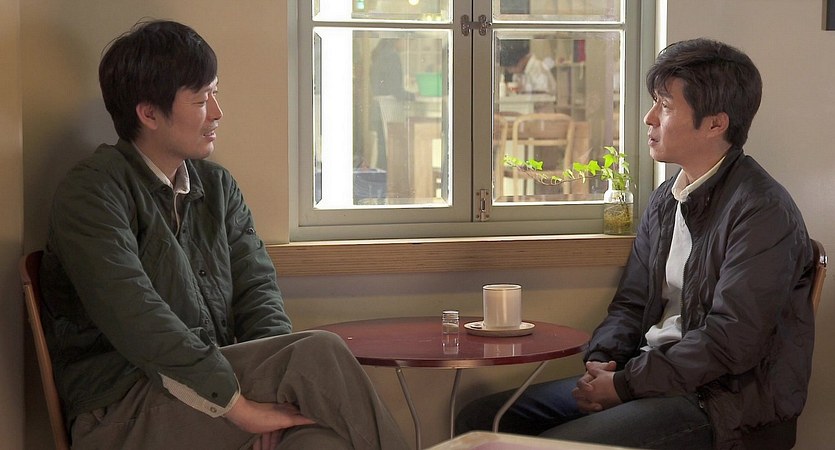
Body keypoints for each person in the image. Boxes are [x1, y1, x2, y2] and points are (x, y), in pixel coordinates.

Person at [38, 20, 408, 450]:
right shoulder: (92, 192)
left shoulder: (217, 187)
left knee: (319, 441)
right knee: (318, 352)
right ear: (149, 113)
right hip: (120, 410)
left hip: (211, 391)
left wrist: (267, 396)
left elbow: (258, 292)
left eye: (215, 94)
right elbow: (137, 318)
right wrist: (239, 407)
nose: (216, 112)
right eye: (200, 100)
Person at [456, 38, 815, 450]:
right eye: (654, 103)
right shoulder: (667, 199)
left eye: (666, 106)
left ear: (716, 123)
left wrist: (623, 386)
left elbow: (731, 341)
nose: (649, 117)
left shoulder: (763, 211)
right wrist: (601, 363)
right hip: (649, 377)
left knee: (558, 444)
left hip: (720, 402)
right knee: (480, 420)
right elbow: (631, 303)